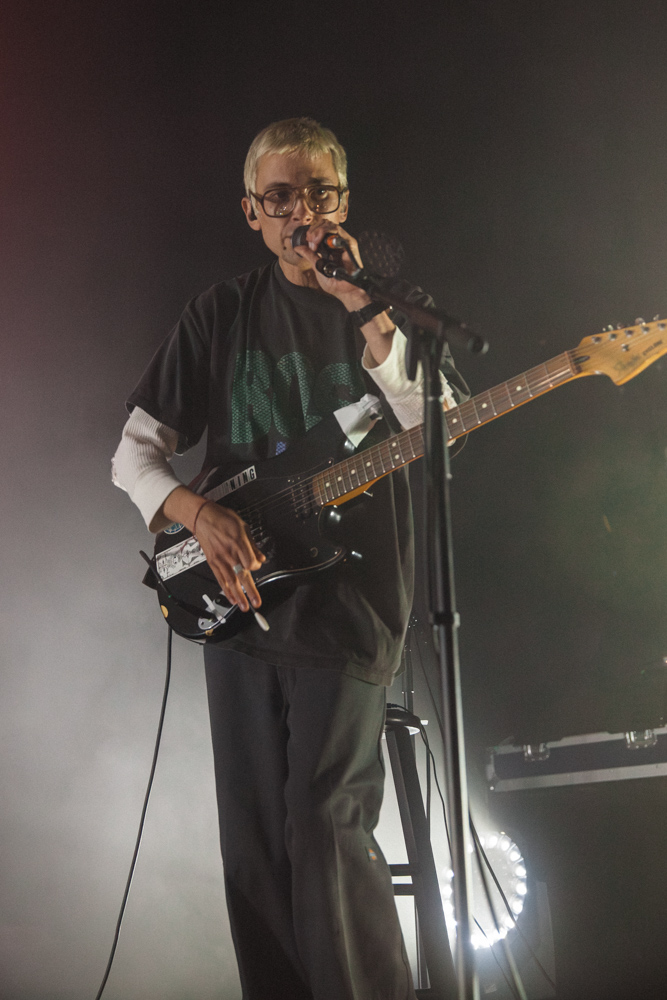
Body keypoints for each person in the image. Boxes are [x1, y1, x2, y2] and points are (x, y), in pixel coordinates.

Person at [112, 117, 468, 1000]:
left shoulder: (384, 309)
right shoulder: (222, 312)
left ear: (343, 204)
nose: (301, 211)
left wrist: (363, 310)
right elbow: (131, 457)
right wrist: (196, 511)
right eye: (281, 197)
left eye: (318, 193)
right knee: (256, 845)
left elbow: (438, 429)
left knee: (324, 824)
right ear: (252, 213)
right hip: (240, 605)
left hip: (351, 608)